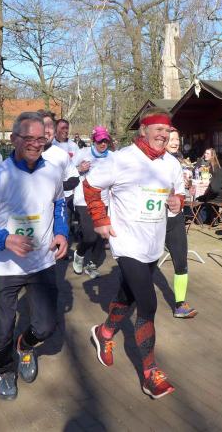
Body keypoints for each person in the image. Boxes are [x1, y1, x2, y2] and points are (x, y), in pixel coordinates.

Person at [0, 111, 69, 401]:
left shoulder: (53, 171)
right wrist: (4, 239)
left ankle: (25, 346)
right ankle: (5, 369)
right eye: (28, 138)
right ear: (14, 139)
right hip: (5, 267)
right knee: (1, 331)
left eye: (40, 138)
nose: (35, 143)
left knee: (46, 326)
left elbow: (60, 204)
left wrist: (62, 233)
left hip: (42, 262)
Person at [84, 107, 185, 399]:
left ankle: (103, 333)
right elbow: (90, 186)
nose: (163, 135)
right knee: (147, 302)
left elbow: (179, 193)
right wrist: (100, 219)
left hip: (153, 242)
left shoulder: (171, 164)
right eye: (158, 129)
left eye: (167, 130)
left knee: (127, 294)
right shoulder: (121, 159)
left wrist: (177, 201)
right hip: (126, 242)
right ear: (143, 130)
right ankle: (150, 373)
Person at [164, 127, 198, 319]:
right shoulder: (152, 162)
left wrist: (182, 194)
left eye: (177, 139)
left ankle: (179, 304)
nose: (176, 142)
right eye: (172, 139)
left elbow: (180, 191)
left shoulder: (179, 162)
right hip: (154, 219)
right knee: (145, 263)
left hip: (175, 218)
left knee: (181, 260)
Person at [71, 126, 113, 279]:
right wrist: (79, 168)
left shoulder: (112, 156)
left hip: (104, 200)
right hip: (84, 200)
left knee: (103, 236)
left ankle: (92, 264)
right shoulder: (83, 153)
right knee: (90, 236)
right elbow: (69, 172)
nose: (103, 144)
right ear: (93, 140)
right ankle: (79, 253)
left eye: (105, 140)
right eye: (100, 141)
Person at [39, 111, 84, 234]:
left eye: (50, 127)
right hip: (36, 210)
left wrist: (57, 187)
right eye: (43, 126)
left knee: (61, 235)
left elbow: (74, 177)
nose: (46, 130)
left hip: (63, 201)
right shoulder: (25, 154)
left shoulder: (61, 154)